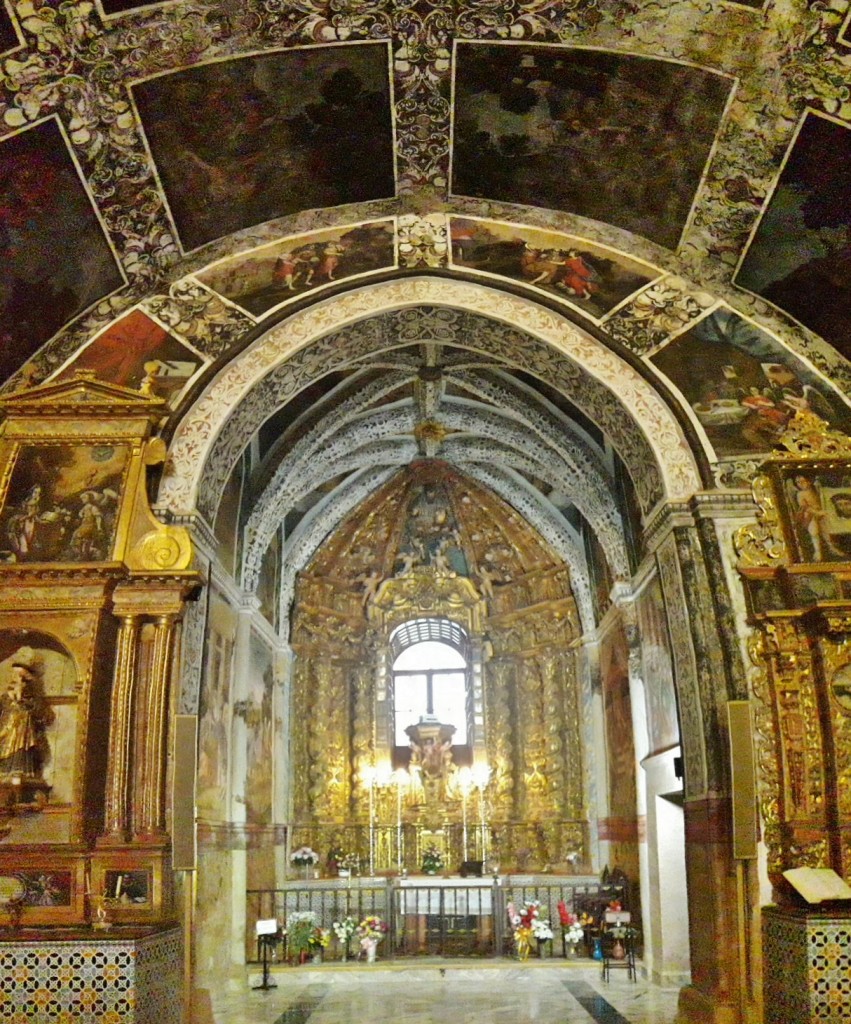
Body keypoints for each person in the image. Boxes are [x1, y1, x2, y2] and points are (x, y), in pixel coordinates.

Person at [0, 649, 53, 779]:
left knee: (21, 744)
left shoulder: (31, 697)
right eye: (15, 677)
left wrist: (21, 699)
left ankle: (21, 769)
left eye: (22, 677)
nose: (18, 680)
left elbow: (41, 713)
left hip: (24, 729)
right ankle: (6, 769)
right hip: (8, 728)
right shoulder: (5, 697)